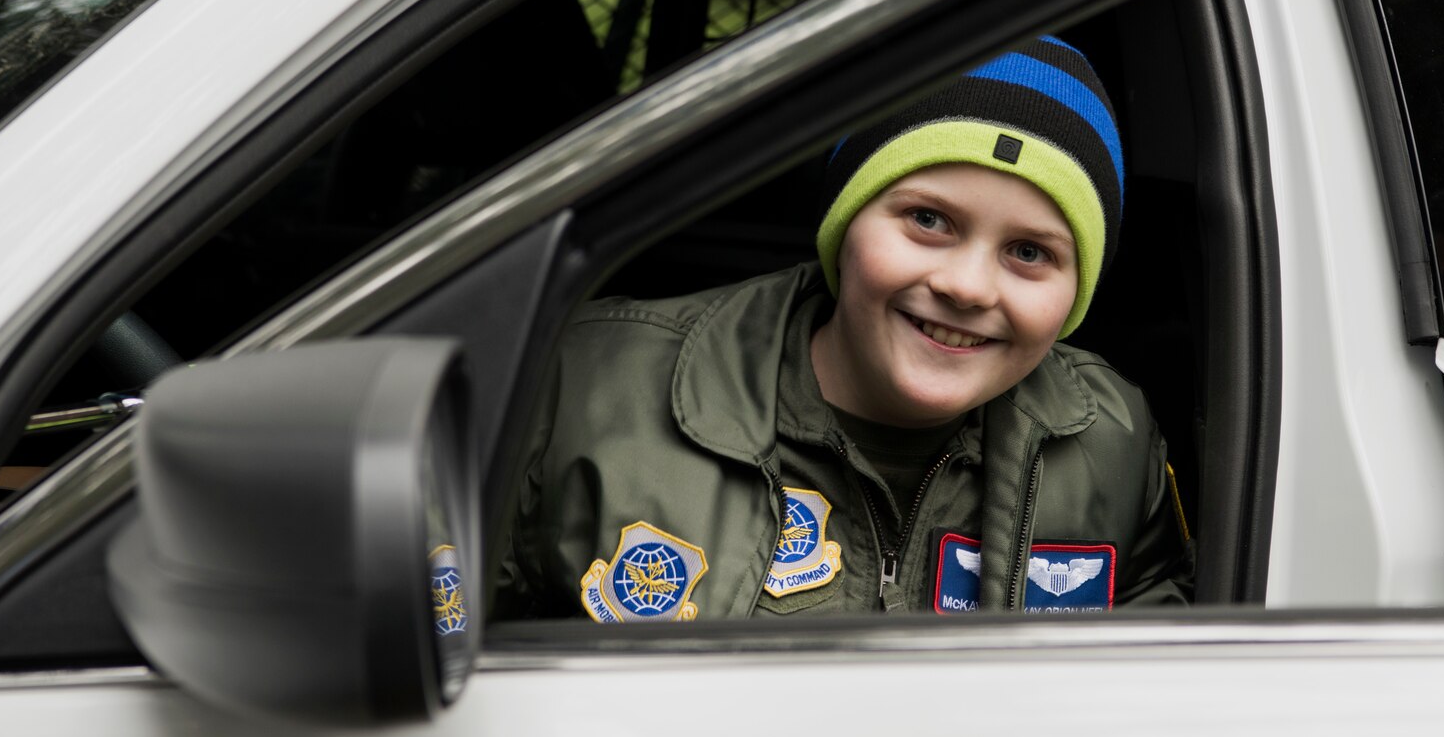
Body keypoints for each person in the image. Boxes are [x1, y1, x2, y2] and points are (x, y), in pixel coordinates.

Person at [500, 35, 1193, 621]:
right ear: (844, 221)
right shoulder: (592, 390)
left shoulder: (1112, 443)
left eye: (1030, 253)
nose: (967, 285)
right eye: (928, 220)